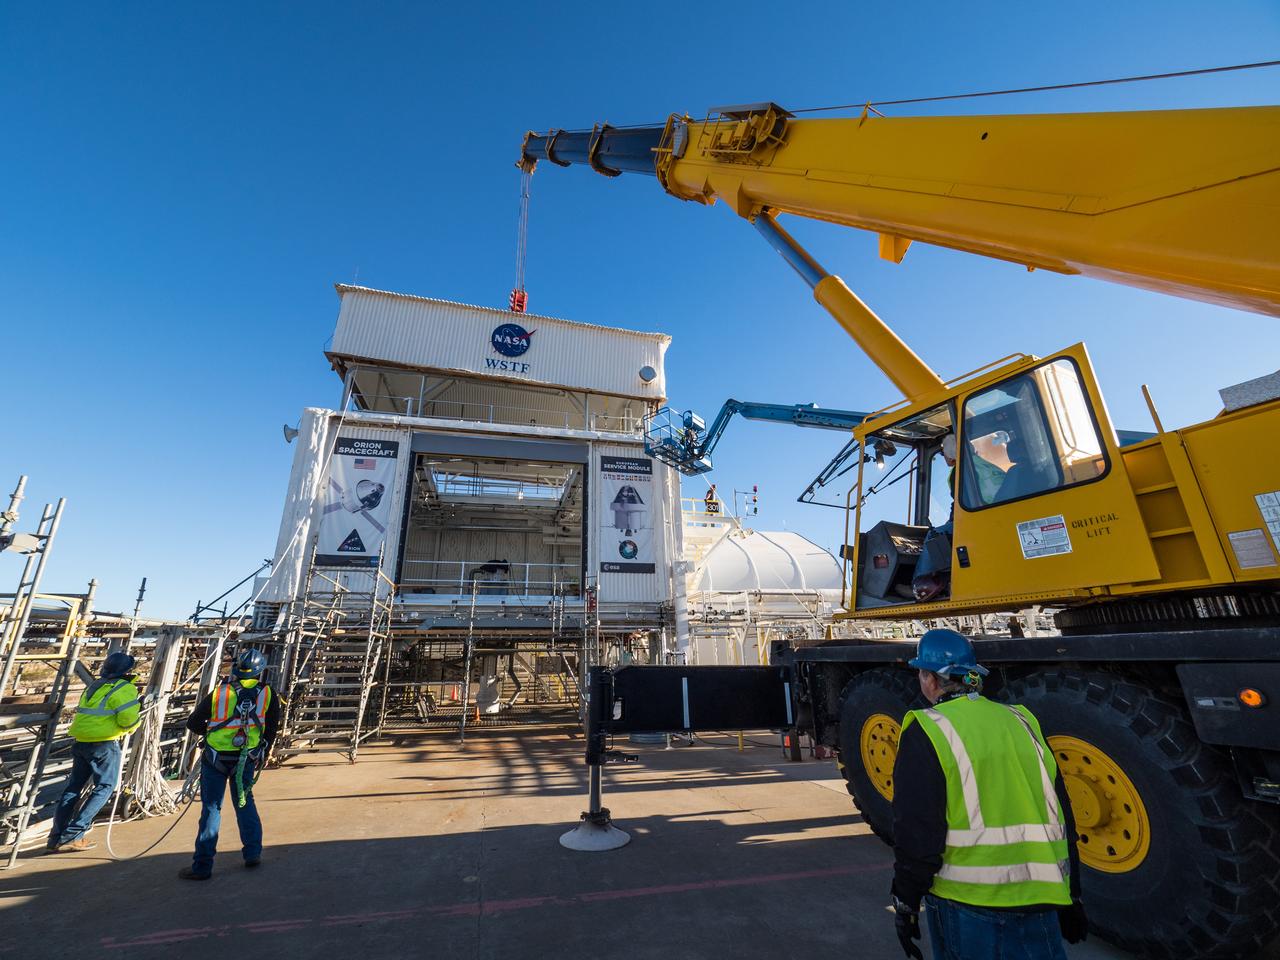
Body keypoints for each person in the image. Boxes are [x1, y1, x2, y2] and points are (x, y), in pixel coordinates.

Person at [889, 629, 1087, 959]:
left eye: (921, 674)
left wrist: (906, 900)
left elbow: (917, 830)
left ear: (931, 680)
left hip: (967, 902)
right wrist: (1074, 895)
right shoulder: (1022, 720)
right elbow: (1062, 813)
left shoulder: (927, 729)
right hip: (1042, 896)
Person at [180, 648, 280, 880]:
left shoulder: (219, 692)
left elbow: (193, 722)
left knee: (212, 808)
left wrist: (213, 733)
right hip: (246, 758)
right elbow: (271, 728)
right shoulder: (268, 693)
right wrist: (262, 749)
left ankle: (202, 866)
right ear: (260, 670)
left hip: (215, 757)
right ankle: (252, 853)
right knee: (245, 803)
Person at [46, 651, 142, 852]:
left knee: (73, 788)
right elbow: (128, 720)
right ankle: (74, 834)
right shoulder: (124, 688)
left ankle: (56, 837)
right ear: (128, 671)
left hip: (81, 742)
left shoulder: (94, 686)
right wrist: (132, 725)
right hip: (104, 744)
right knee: (105, 787)